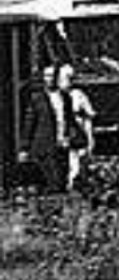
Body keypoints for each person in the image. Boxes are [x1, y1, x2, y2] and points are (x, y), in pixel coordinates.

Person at [19, 62, 71, 191]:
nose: (50, 79)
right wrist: (24, 147)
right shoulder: (37, 98)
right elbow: (30, 122)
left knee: (63, 182)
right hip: (44, 145)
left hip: (62, 145)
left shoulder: (65, 97)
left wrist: (69, 136)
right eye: (47, 76)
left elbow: (69, 120)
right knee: (52, 182)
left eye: (53, 75)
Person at [56, 64, 95, 190]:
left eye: (69, 78)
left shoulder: (78, 95)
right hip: (59, 132)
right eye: (63, 78)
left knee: (78, 160)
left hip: (76, 131)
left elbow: (88, 116)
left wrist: (89, 136)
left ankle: (76, 185)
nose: (66, 82)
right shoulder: (54, 96)